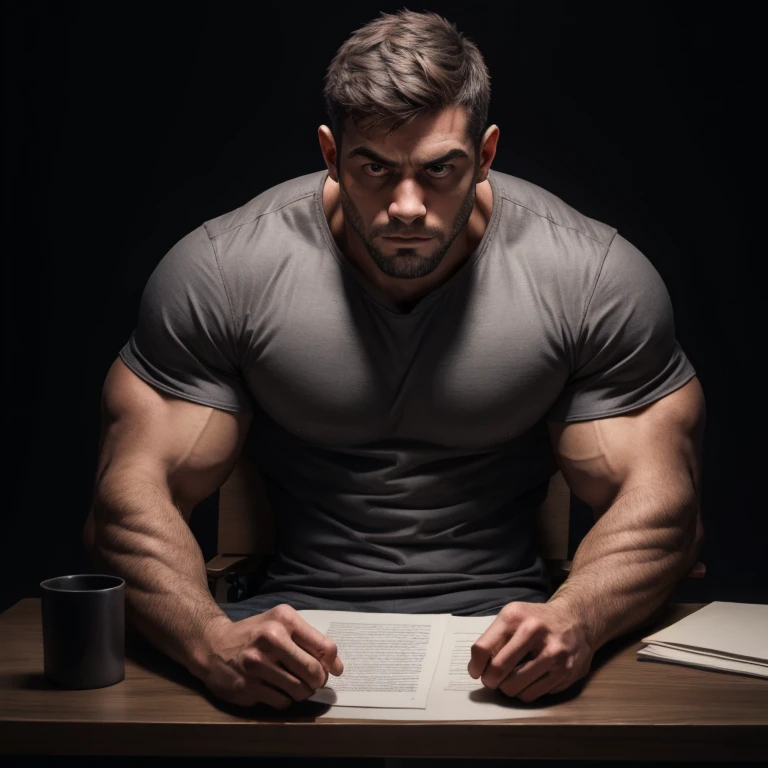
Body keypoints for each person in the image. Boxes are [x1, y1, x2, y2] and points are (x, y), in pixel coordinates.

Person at [83, 9, 705, 712]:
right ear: (329, 153)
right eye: (374, 168)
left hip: (510, 644)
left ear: (487, 153)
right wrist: (207, 640)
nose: (407, 205)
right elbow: (129, 502)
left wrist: (578, 619)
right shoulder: (225, 271)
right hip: (288, 643)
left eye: (440, 170)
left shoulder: (590, 278)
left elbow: (662, 508)